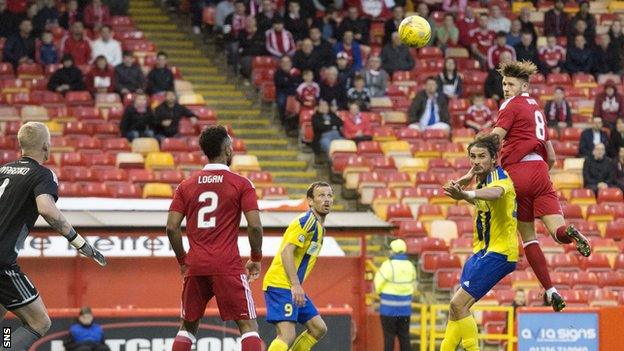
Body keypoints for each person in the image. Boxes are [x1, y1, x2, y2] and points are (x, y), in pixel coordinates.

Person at [458, 61, 591, 313]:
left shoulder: (510, 105)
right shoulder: (537, 109)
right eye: (504, 83)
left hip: (517, 173)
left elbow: (494, 140)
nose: (506, 88)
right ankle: (569, 236)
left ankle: (550, 290)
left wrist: (469, 174)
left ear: (524, 86)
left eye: (511, 84)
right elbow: (551, 157)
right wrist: (537, 175)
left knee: (529, 239)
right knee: (558, 233)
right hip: (541, 170)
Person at [0, 122, 105, 350]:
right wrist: (79, 242)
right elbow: (46, 209)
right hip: (2, 262)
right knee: (40, 322)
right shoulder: (42, 174)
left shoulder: (3, 170)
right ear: (47, 146)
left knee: (3, 316)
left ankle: (5, 343)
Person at [167, 125, 264, 351]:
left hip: (195, 265)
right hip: (227, 264)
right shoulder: (241, 184)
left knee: (187, 327)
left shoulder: (186, 185)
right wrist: (256, 257)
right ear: (228, 149)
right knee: (248, 326)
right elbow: (255, 226)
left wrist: (183, 261)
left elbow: (172, 228)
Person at [440, 135, 518, 351]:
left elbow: (496, 193)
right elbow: (456, 191)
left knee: (458, 304)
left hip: (500, 253)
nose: (476, 161)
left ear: (494, 158)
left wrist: (465, 191)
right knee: (455, 309)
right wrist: (468, 179)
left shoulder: (501, 178)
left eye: (482, 156)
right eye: (473, 157)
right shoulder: (482, 178)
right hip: (482, 253)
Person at [263, 182, 332, 351]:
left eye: (329, 195)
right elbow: (287, 251)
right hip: (281, 284)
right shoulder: (307, 221)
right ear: (310, 201)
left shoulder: (319, 227)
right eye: (321, 196)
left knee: (318, 328)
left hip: (290, 286)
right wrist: (295, 284)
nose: (326, 200)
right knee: (287, 335)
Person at [373, 239, 416, 351]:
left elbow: (378, 282)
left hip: (388, 310)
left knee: (389, 338)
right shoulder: (410, 265)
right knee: (404, 337)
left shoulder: (388, 265)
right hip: (405, 310)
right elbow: (413, 284)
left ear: (393, 251)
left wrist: (380, 293)